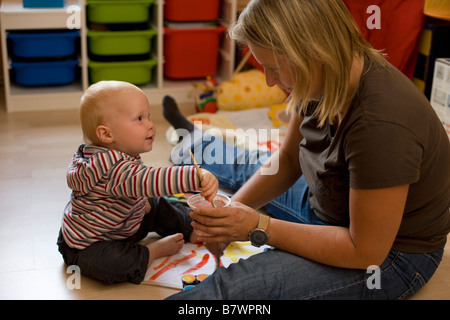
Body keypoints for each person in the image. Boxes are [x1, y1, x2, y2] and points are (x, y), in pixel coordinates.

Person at [163, 0, 450, 299]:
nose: (269, 81)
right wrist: (231, 215)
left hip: (388, 256)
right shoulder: (323, 73)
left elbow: (365, 250)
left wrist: (257, 225)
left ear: (313, 52)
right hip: (333, 202)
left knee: (235, 288)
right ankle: (193, 140)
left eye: (273, 67)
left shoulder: (382, 123)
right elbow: (288, 160)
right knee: (253, 162)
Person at [57, 80, 218, 284]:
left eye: (148, 116)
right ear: (106, 134)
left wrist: (141, 202)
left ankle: (191, 227)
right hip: (90, 245)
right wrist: (195, 175)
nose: (151, 124)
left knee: (155, 204)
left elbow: (134, 186)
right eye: (139, 119)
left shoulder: (110, 153)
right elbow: (150, 179)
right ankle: (149, 252)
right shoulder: (109, 168)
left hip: (121, 222)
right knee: (113, 264)